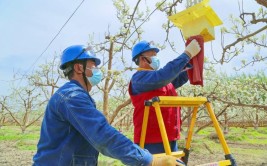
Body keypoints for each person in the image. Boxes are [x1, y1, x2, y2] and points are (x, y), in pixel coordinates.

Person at [32, 45, 183, 166]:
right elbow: (102, 135)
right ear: (79, 68)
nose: (97, 70)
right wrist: (150, 160)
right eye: (93, 65)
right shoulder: (73, 97)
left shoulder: (77, 96)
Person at [129, 40, 201, 154]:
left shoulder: (161, 81)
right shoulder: (139, 79)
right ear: (142, 59)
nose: (156, 58)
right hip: (151, 141)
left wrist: (193, 61)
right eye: (153, 55)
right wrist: (187, 54)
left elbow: (176, 77)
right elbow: (163, 76)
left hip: (170, 137)